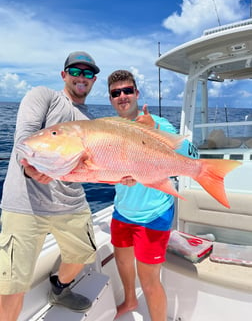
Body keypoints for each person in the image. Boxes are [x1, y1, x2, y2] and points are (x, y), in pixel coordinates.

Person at [0, 51, 101, 321]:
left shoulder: (90, 122)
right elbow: (25, 139)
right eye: (76, 71)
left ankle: (58, 288)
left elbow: (93, 171)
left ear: (93, 80)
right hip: (25, 204)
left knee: (84, 254)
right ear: (63, 74)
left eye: (88, 73)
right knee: (13, 285)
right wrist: (30, 169)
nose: (82, 77)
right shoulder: (44, 96)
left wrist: (124, 175)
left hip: (71, 203)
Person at [107, 70, 198, 321]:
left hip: (153, 215)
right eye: (116, 93)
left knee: (149, 280)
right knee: (123, 264)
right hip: (122, 210)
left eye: (127, 90)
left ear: (136, 93)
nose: (122, 96)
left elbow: (192, 153)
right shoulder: (109, 129)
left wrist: (155, 128)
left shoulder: (159, 123)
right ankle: (129, 299)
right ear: (111, 98)